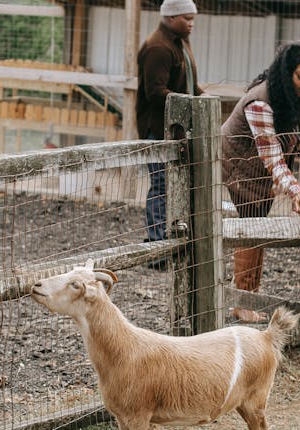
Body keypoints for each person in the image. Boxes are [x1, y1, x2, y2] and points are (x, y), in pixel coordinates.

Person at [221, 41, 300, 323]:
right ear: (286, 72)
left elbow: (293, 136)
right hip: (240, 165)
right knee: (250, 227)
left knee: (256, 227)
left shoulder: (293, 98)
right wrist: (296, 191)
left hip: (259, 169)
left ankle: (249, 296)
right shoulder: (260, 102)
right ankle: (242, 303)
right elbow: (272, 157)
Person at [136, 0, 201, 255]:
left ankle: (169, 238)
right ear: (172, 18)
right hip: (157, 128)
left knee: (175, 183)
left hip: (175, 127)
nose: (192, 24)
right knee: (161, 183)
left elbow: (187, 83)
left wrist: (201, 97)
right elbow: (155, 92)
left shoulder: (179, 42)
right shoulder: (158, 48)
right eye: (187, 18)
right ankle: (156, 245)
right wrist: (190, 103)